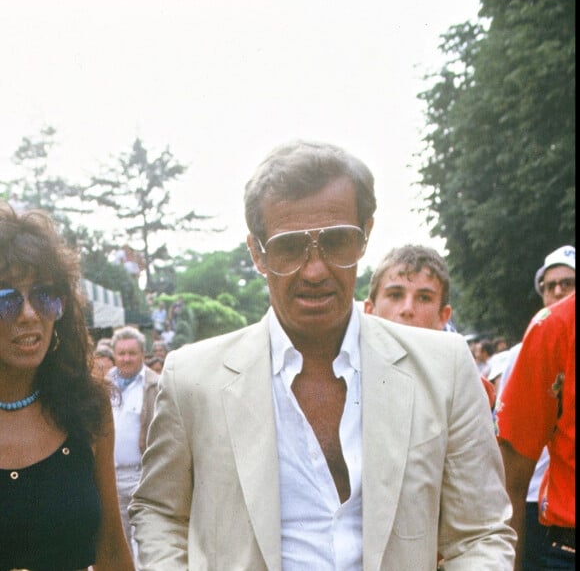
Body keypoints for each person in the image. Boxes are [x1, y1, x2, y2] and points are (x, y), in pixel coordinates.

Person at [130, 139, 515, 569]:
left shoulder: (443, 367)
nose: (314, 270)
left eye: (335, 242)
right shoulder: (193, 378)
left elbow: (480, 533)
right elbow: (160, 512)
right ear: (258, 252)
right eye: (290, 247)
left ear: (365, 237)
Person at [0, 203, 134, 570]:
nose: (29, 314)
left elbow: (111, 549)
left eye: (44, 295)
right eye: (6, 299)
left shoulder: (87, 406)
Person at [494, 244, 575, 570]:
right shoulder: (552, 329)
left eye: (566, 283)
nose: (556, 291)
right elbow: (511, 477)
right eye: (549, 285)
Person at [363, 244, 496, 409]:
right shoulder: (343, 381)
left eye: (424, 298)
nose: (407, 309)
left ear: (443, 316)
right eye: (395, 295)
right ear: (369, 310)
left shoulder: (466, 391)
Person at [108, 325, 159, 564]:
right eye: (121, 353)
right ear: (114, 356)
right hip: (110, 477)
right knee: (118, 544)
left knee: (149, 542)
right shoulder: (103, 384)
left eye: (132, 353)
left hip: (143, 477)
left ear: (142, 355)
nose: (126, 359)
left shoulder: (155, 385)